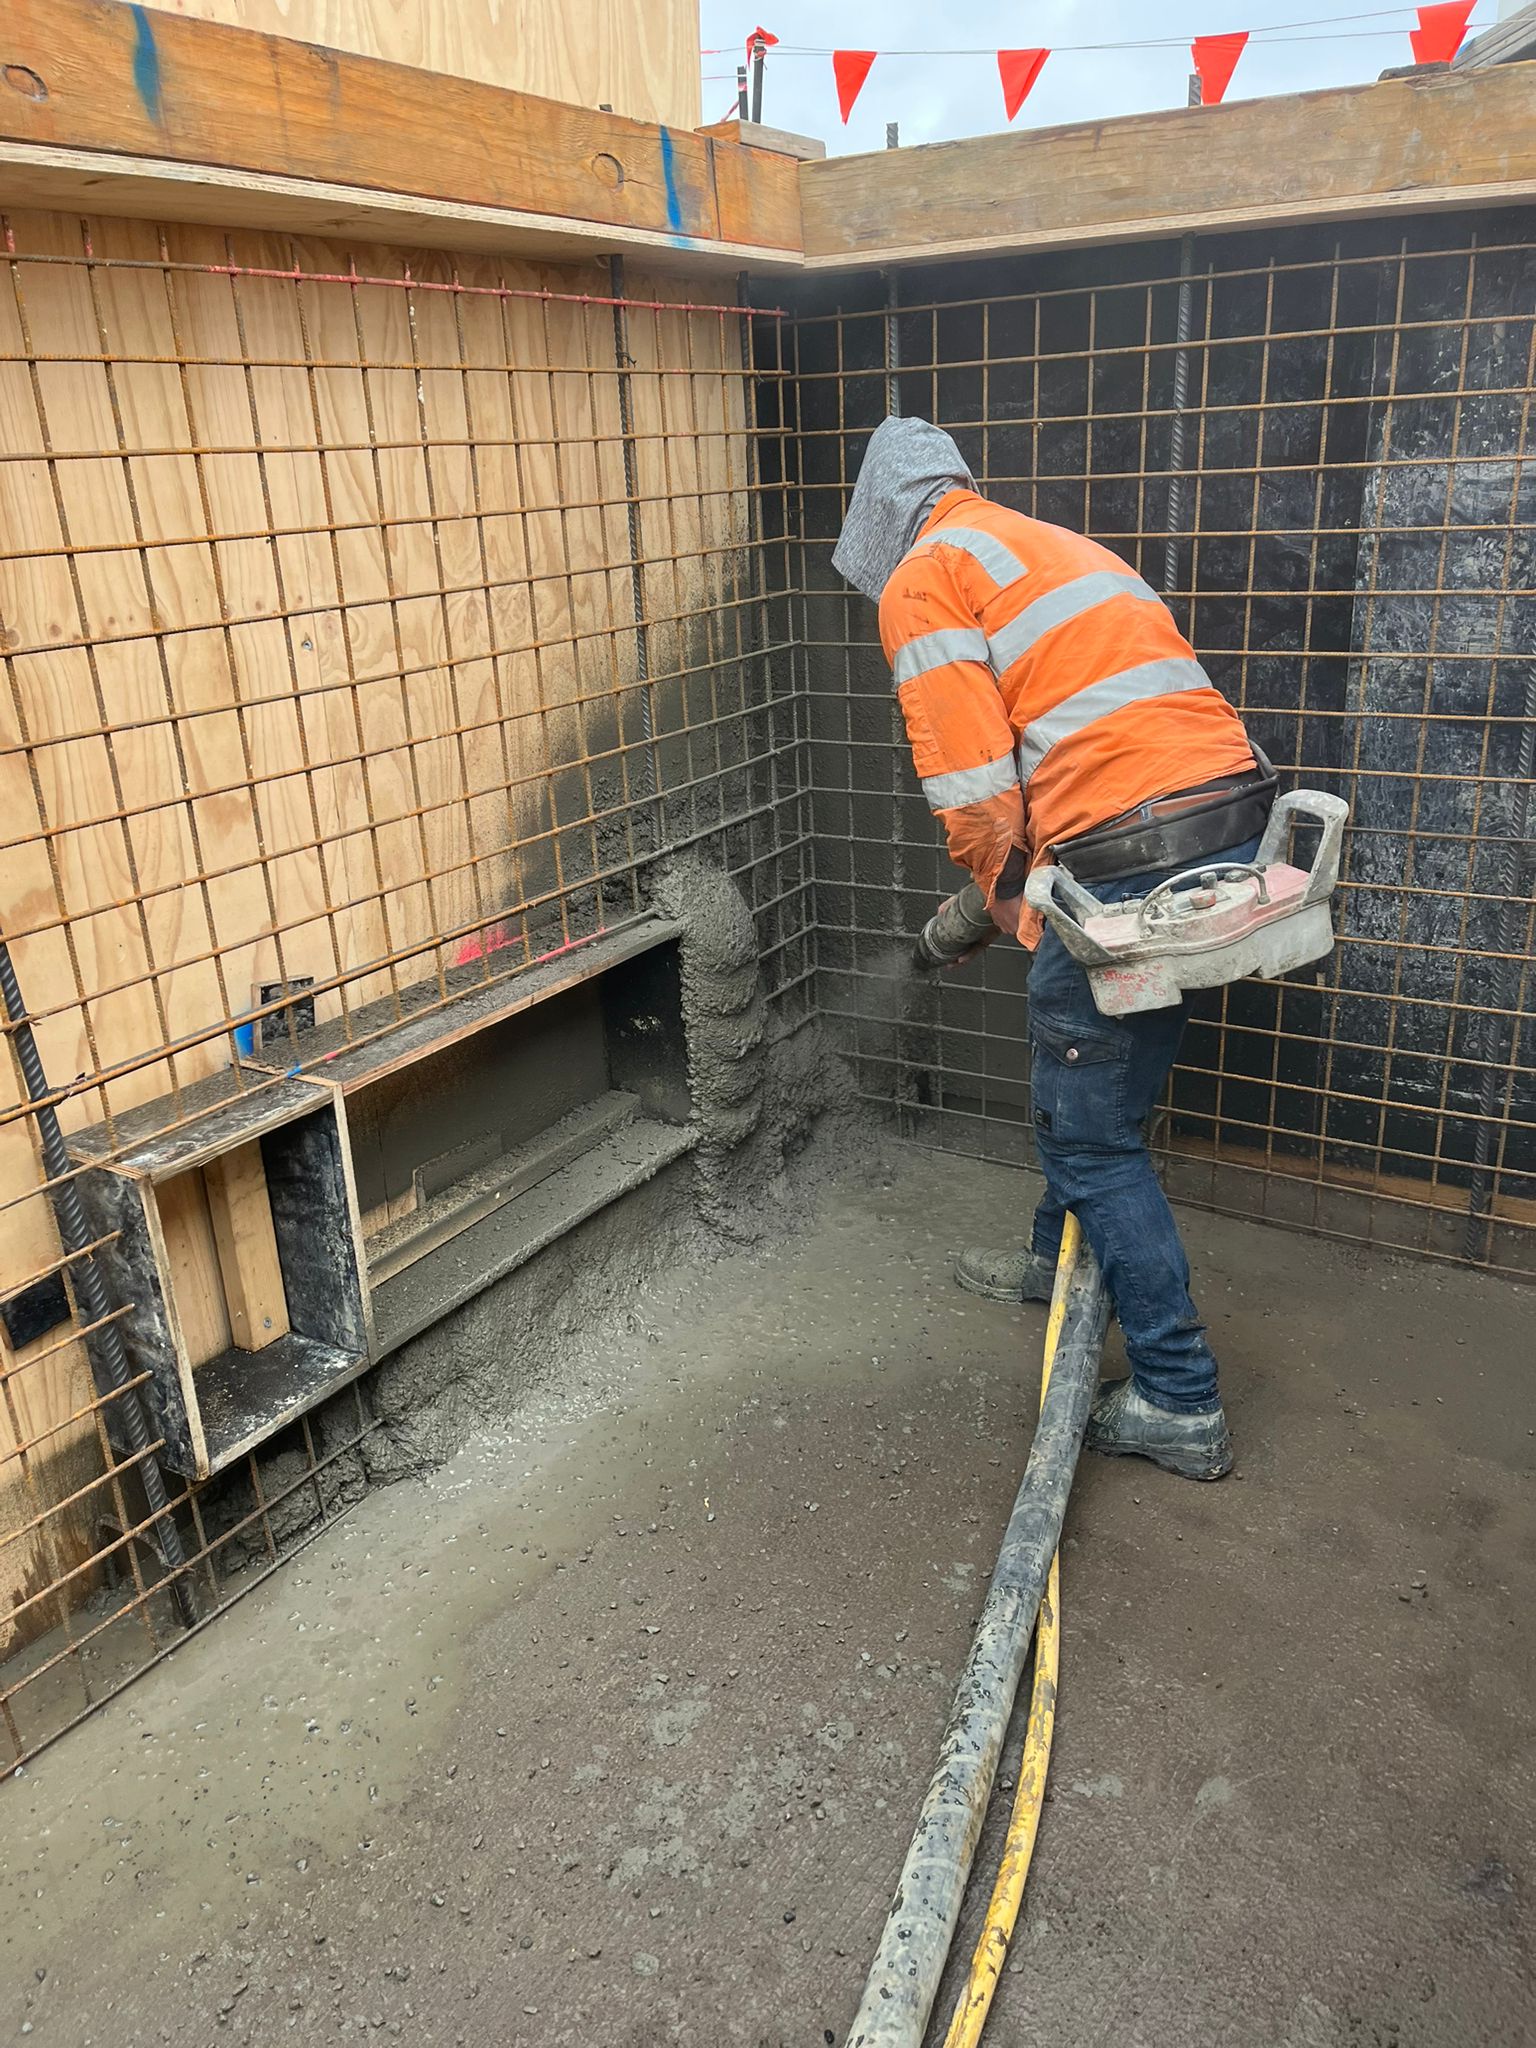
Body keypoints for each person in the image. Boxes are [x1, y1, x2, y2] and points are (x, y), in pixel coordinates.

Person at [834, 416, 1276, 1481]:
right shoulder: (1046, 545)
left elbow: (976, 792)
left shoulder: (923, 577)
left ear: (878, 519)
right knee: (1094, 1086)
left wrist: (999, 894)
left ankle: (1180, 1396)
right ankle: (1051, 1258)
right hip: (1226, 822)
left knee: (1089, 1131)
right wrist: (1023, 882)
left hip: (1127, 845)